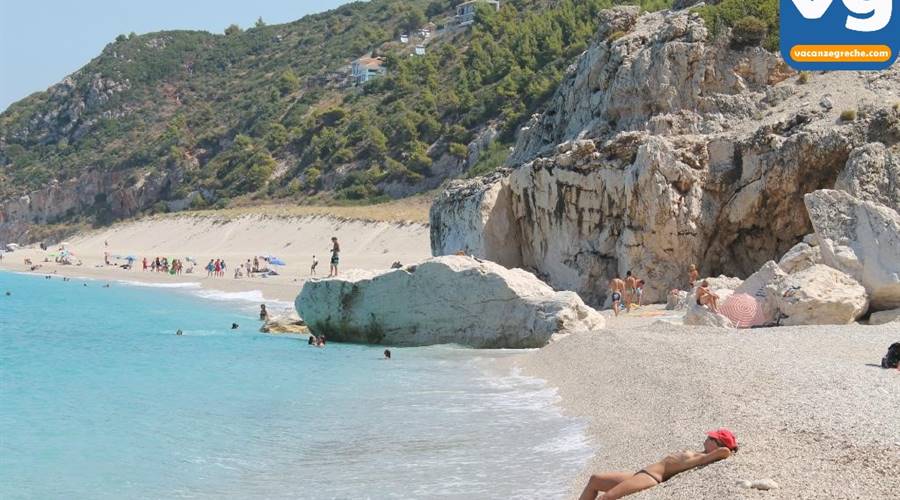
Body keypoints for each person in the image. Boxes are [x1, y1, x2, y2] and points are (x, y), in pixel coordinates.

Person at [579, 429, 738, 500]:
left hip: (650, 477)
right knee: (595, 479)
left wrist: (727, 446)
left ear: (716, 445)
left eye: (712, 438)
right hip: (640, 473)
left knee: (607, 498)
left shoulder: (703, 457)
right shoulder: (700, 453)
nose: (708, 438)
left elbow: (724, 451)